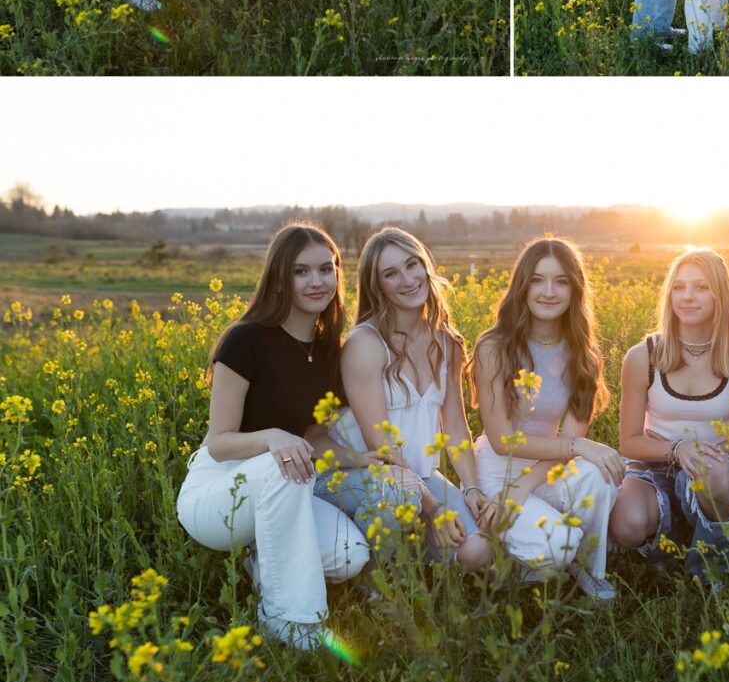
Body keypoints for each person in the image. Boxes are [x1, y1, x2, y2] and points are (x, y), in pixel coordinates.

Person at [176, 223, 370, 650]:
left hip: (284, 485)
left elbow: (314, 439)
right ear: (280, 277)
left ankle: (260, 554)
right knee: (284, 464)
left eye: (325, 269)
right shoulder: (245, 341)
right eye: (301, 271)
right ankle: (291, 623)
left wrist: (364, 460)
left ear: (339, 273)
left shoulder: (327, 352)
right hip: (218, 491)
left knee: (349, 555)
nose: (316, 281)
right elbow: (219, 441)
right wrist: (272, 438)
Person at [316, 228, 493, 571]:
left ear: (426, 267)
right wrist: (436, 510)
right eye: (391, 273)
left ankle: (412, 553)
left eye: (413, 265)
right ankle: (374, 584)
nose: (408, 279)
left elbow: (455, 426)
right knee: (398, 495)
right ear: (376, 286)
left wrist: (471, 489)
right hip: (361, 478)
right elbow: (380, 448)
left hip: (421, 477)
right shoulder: (365, 344)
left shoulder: (446, 342)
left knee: (479, 553)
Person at [468, 237, 623, 600]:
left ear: (575, 288)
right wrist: (577, 446)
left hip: (547, 469)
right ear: (522, 286)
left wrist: (523, 486)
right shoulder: (494, 347)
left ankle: (587, 568)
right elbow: (502, 441)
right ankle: (520, 555)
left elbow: (569, 445)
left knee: (601, 475)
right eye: (537, 280)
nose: (548, 291)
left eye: (561, 281)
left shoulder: (584, 356)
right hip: (497, 469)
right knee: (555, 546)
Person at [609, 248, 729, 577]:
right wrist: (677, 449)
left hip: (714, 468)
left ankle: (711, 569)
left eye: (701, 288)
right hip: (652, 464)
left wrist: (700, 455)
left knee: (712, 474)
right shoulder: (642, 356)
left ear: (721, 295)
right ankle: (669, 551)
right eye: (679, 287)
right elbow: (629, 442)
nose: (687, 297)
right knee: (626, 524)